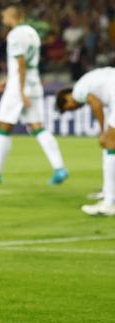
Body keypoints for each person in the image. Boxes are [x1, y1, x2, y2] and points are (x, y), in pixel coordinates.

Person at [0, 0, 68, 185]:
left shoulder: (15, 35)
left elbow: (21, 63)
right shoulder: (32, 33)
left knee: (4, 125)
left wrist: (20, 90)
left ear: (11, 17)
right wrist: (9, 79)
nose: (3, 19)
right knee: (37, 127)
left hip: (20, 87)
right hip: (33, 83)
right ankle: (59, 168)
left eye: (4, 16)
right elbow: (24, 65)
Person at [56, 67, 115, 215]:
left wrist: (102, 132)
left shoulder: (78, 91)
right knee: (111, 147)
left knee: (109, 145)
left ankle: (110, 202)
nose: (72, 109)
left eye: (68, 107)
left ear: (67, 97)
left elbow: (96, 105)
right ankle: (108, 192)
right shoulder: (87, 82)